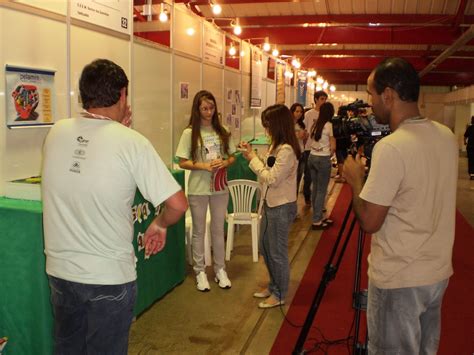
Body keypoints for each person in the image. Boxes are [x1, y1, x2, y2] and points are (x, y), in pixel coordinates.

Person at [41, 59, 188, 354]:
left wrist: (118, 130)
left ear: (84, 94)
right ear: (122, 95)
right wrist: (158, 224)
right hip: (109, 278)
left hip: (61, 272)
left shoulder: (56, 132)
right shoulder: (132, 142)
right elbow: (177, 204)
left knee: (67, 348)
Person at [343, 57, 458, 354]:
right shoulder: (446, 137)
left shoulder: (391, 147)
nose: (370, 103)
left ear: (388, 95)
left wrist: (356, 181)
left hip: (399, 280)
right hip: (437, 274)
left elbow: (369, 221)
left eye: (371, 94)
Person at [240, 104, 300, 308]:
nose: (266, 129)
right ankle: (274, 285)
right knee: (265, 247)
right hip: (270, 204)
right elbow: (267, 169)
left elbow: (272, 178)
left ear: (277, 125)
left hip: (282, 206)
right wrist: (253, 155)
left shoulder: (287, 150)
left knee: (277, 252)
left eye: (268, 125)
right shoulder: (276, 145)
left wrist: (253, 159)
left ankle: (280, 293)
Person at [175, 90, 236, 292]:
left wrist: (224, 162)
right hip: (198, 188)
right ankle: (200, 271)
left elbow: (232, 157)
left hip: (219, 187)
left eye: (211, 108)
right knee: (199, 231)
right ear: (197, 109)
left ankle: (220, 269)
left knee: (218, 229)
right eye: (204, 108)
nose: (208, 112)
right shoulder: (189, 133)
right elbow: (182, 162)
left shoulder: (223, 131)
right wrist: (203, 166)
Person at [307, 102, 336, 230]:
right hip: (323, 159)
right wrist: (330, 153)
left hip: (312, 157)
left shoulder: (315, 124)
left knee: (315, 187)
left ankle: (317, 216)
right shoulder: (329, 125)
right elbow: (333, 146)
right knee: (321, 190)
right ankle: (317, 220)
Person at [303, 90, 329, 205]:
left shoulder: (326, 115)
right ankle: (307, 196)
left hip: (323, 149)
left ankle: (319, 202)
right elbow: (306, 129)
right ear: (316, 100)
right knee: (308, 176)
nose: (324, 102)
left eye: (325, 99)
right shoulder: (309, 114)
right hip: (310, 148)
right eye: (322, 99)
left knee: (320, 179)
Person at [290, 102, 307, 196]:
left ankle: (295, 199)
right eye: (297, 111)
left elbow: (303, 140)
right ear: (292, 112)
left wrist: (305, 136)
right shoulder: (288, 124)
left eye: (301, 112)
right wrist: (296, 135)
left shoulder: (302, 125)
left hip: (301, 152)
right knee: (291, 178)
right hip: (291, 153)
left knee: (298, 177)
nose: (299, 113)